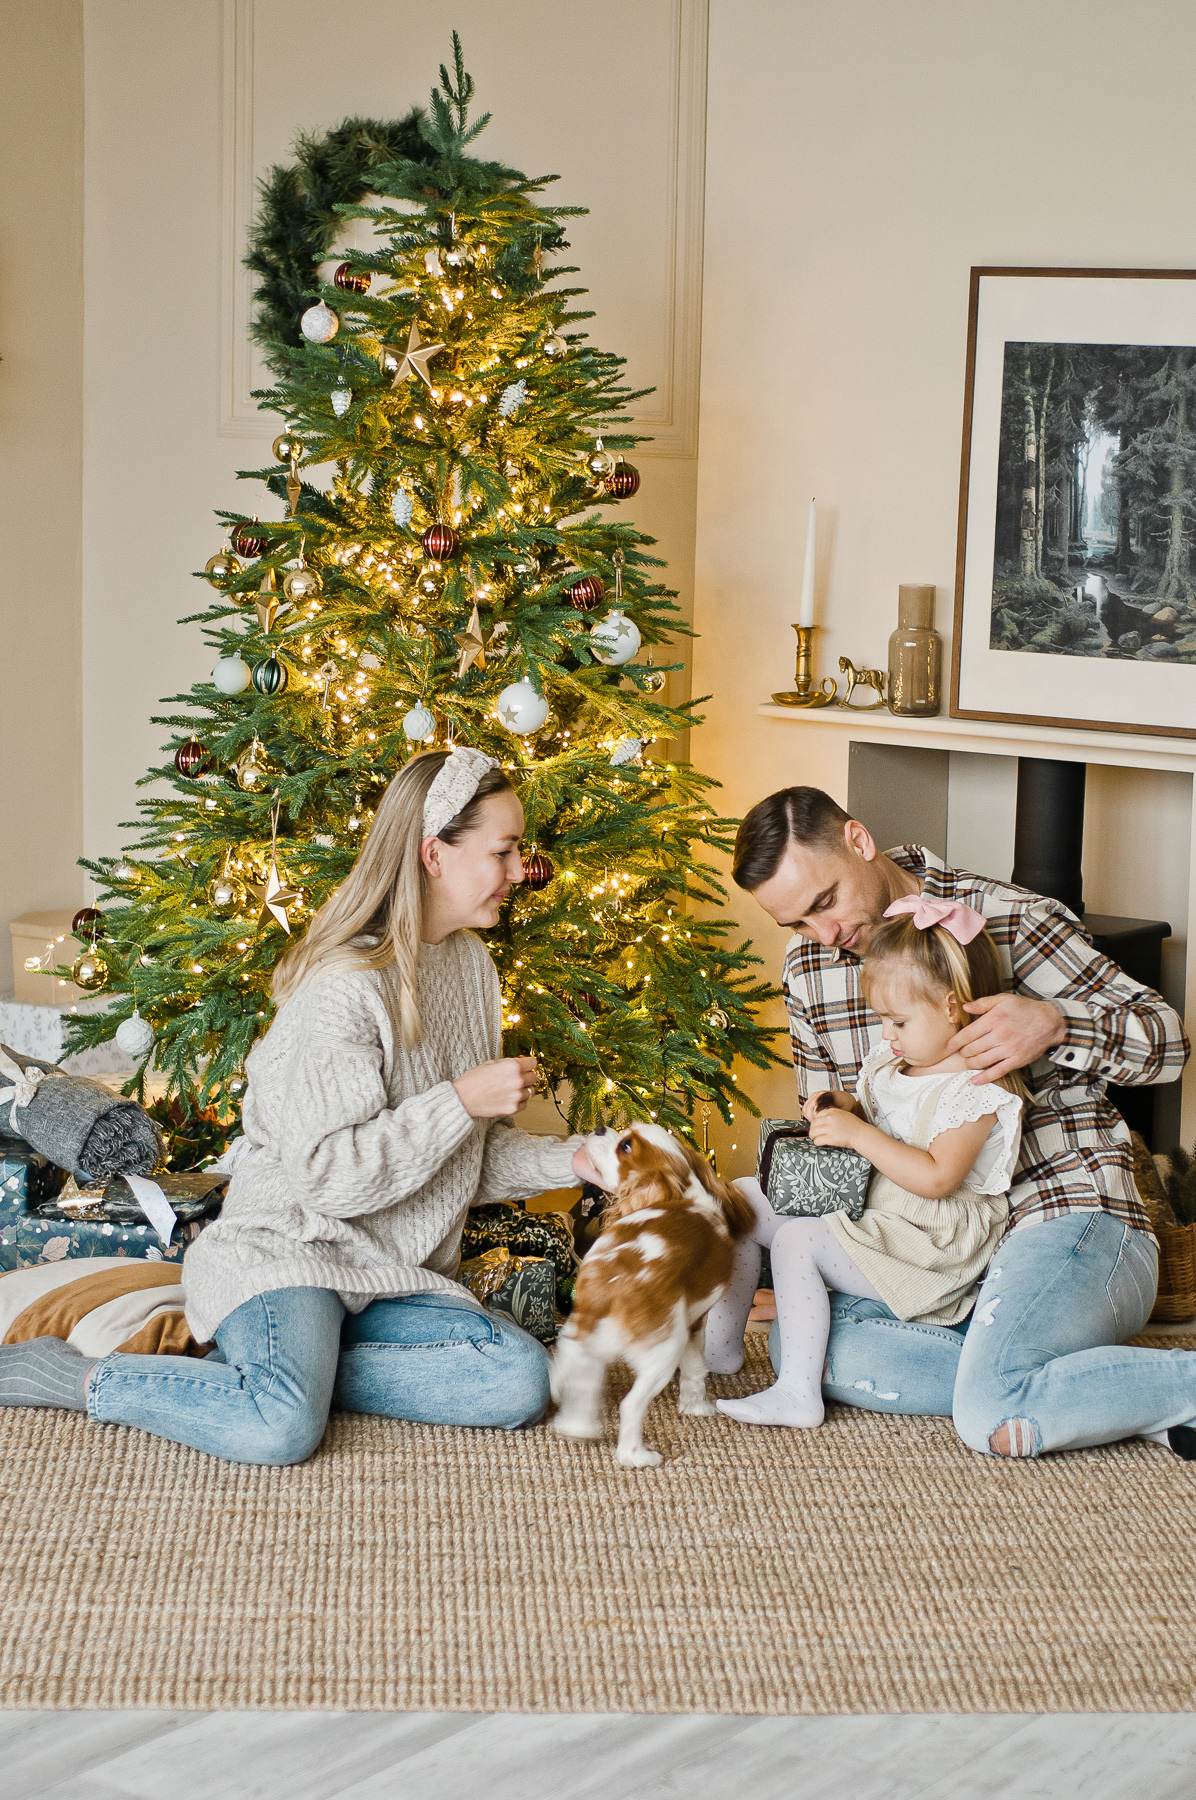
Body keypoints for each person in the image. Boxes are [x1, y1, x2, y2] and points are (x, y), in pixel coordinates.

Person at [0, 747, 599, 1463]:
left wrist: (579, 1159)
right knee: (279, 1428)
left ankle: (289, 1368)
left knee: (518, 1379)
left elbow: (459, 1160)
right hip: (291, 1250)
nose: (520, 871)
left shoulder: (471, 968)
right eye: (503, 851)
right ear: (433, 853)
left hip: (387, 1275)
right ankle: (71, 1376)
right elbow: (327, 1179)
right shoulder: (346, 984)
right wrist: (459, 1101)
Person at [714, 784, 1196, 1461]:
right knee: (799, 1343)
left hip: (1062, 1215)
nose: (824, 936)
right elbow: (834, 1124)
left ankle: (1029, 1381)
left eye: (824, 903)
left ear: (859, 841)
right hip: (924, 1242)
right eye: (797, 924)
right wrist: (827, 1119)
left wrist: (1057, 1023)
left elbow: (1168, 1042)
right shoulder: (810, 968)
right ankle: (1062, 1380)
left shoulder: (1009, 920)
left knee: (986, 1411)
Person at [713, 895, 1023, 1428]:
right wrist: (844, 1107)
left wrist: (858, 1135)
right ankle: (719, 1347)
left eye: (898, 1021)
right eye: (882, 1019)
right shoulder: (895, 1061)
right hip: (873, 1206)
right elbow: (876, 1111)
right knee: (739, 1201)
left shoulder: (973, 1091)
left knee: (797, 1241)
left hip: (926, 1242)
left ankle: (797, 1393)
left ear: (952, 1007)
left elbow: (937, 1178)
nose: (886, 1034)